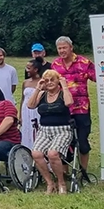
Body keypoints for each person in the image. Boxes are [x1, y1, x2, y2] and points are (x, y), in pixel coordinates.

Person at [51, 36, 96, 173]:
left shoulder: (84, 62)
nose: (62, 51)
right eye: (59, 48)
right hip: (63, 109)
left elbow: (98, 78)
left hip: (81, 109)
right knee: (64, 142)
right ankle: (64, 172)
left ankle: (83, 172)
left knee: (82, 141)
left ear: (71, 47)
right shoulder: (55, 65)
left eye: (64, 47)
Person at [27, 70, 74, 194]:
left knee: (52, 154)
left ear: (58, 80)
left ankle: (61, 182)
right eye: (46, 81)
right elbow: (30, 106)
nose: (49, 83)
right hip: (45, 130)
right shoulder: (42, 94)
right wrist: (37, 88)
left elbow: (69, 103)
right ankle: (49, 182)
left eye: (52, 80)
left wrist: (64, 85)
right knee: (36, 153)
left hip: (62, 129)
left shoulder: (63, 93)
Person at [20, 58, 43, 149]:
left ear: (36, 69)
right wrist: (20, 116)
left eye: (29, 68)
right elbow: (22, 99)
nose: (27, 70)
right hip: (26, 111)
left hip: (37, 110)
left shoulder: (42, 82)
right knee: (26, 131)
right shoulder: (25, 82)